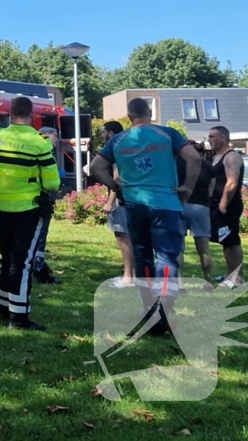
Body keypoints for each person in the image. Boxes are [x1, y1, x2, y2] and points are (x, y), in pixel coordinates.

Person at [89, 98, 202, 334]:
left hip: (134, 204)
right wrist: (187, 187)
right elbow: (194, 157)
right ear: (150, 113)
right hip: (165, 204)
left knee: (143, 257)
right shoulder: (168, 134)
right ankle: (164, 310)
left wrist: (116, 186)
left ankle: (149, 308)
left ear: (130, 117)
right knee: (167, 257)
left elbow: (96, 167)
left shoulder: (118, 140)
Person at [0, 96, 61, 331]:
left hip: (1, 208)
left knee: (7, 259)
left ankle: (4, 306)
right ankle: (19, 317)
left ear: (10, 113)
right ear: (31, 115)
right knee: (22, 262)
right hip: (29, 210)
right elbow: (52, 183)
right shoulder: (39, 143)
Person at [207, 126, 245, 286]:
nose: (209, 139)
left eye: (212, 136)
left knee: (231, 241)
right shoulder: (216, 157)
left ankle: (238, 278)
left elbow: (232, 183)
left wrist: (223, 204)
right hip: (216, 204)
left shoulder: (232, 156)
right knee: (225, 241)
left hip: (229, 206)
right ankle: (230, 274)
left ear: (222, 138)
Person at [100, 121, 134, 288]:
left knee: (123, 238)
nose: (102, 135)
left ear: (111, 133)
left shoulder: (116, 149)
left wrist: (110, 202)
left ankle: (128, 277)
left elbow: (117, 178)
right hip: (134, 198)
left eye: (103, 132)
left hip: (121, 200)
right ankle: (134, 274)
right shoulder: (130, 147)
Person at [177, 140, 214, 284]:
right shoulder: (208, 167)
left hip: (180, 206)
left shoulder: (177, 165)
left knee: (178, 250)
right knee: (204, 250)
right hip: (201, 207)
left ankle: (179, 283)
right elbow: (211, 191)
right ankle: (208, 280)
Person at [31, 126, 64, 285]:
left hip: (29, 199)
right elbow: (50, 182)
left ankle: (34, 264)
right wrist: (57, 177)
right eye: (55, 135)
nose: (57, 139)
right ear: (46, 135)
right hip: (41, 199)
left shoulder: (32, 148)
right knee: (40, 234)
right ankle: (38, 266)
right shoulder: (44, 150)